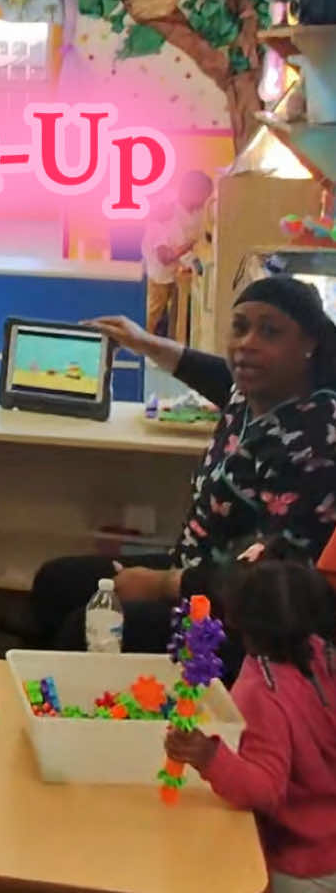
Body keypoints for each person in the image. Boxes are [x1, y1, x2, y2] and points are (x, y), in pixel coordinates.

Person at [30, 276, 336, 660]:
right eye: (240, 327)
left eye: (270, 332)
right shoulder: (251, 393)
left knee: (85, 627)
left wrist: (164, 585)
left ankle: (82, 707)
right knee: (57, 582)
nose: (247, 344)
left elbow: (273, 571)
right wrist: (142, 341)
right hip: (193, 571)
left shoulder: (317, 441)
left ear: (310, 344)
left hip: (244, 615)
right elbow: (209, 371)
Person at [166, 560, 336, 893]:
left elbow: (265, 789)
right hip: (329, 833)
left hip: (308, 858)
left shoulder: (262, 691)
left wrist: (210, 756)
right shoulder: (321, 652)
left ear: (238, 618)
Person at [141, 167, 213, 335]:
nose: (206, 199)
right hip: (160, 273)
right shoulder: (165, 211)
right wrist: (190, 246)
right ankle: (143, 345)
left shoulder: (199, 212)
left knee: (177, 313)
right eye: (204, 194)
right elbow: (165, 256)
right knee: (154, 313)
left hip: (180, 271)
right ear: (192, 191)